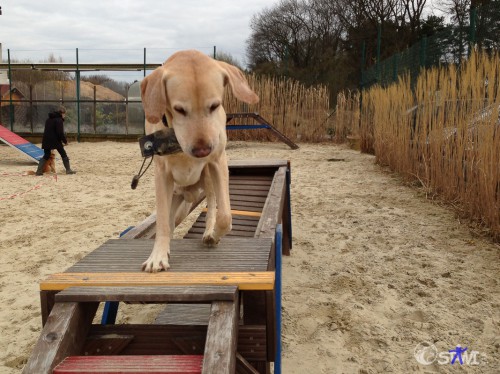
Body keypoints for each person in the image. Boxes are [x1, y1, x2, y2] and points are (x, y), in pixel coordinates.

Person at [36, 105, 76, 175]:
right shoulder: (59, 120)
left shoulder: (48, 119)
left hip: (46, 140)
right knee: (63, 154)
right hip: (55, 141)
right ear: (62, 113)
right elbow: (60, 133)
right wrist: (65, 141)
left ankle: (38, 171)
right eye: (64, 114)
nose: (65, 115)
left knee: (46, 155)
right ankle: (68, 170)